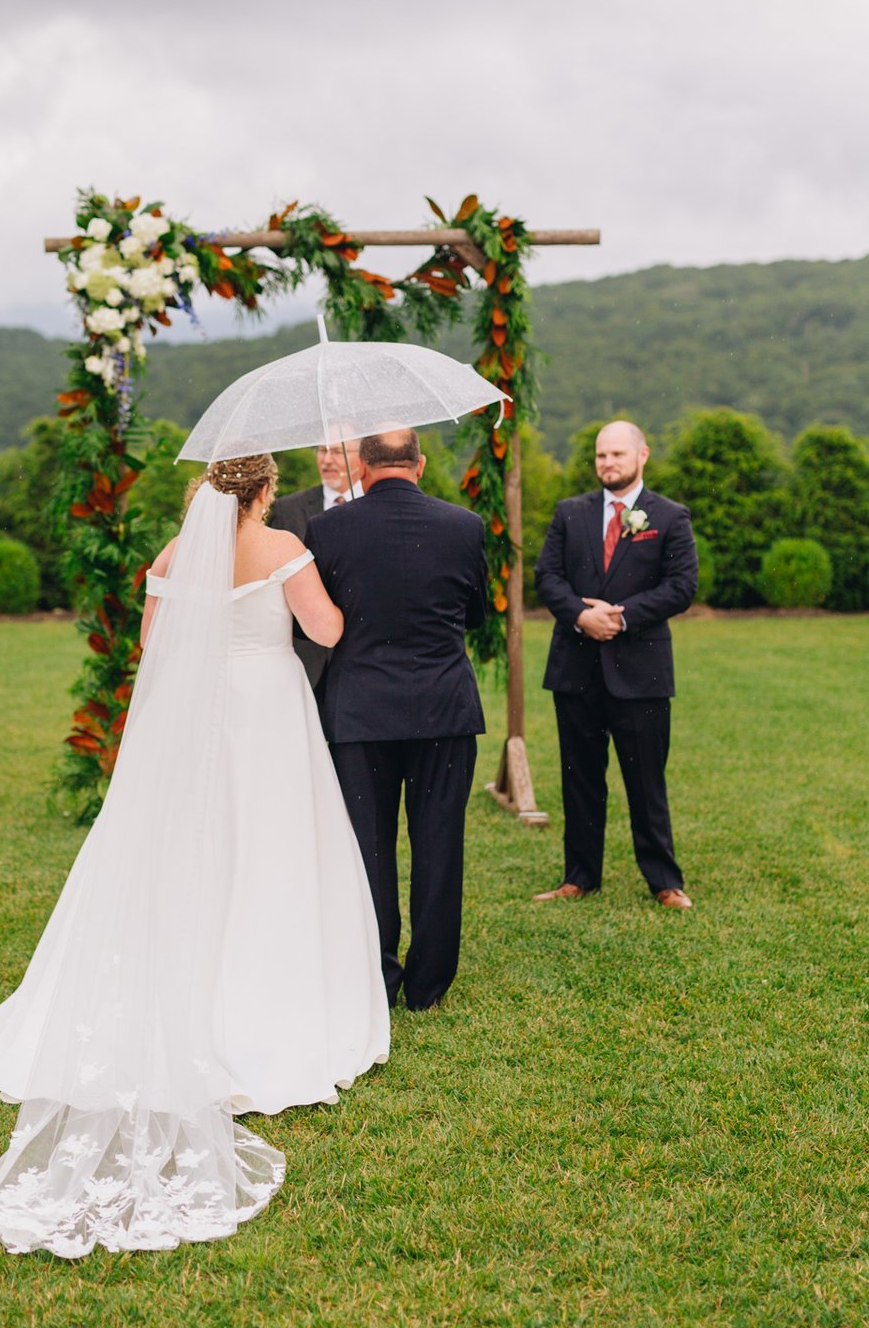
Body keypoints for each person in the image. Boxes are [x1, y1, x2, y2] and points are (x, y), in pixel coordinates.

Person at [0, 455, 389, 1257]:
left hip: (190, 728)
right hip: (264, 715)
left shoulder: (169, 556)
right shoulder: (282, 543)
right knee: (268, 854)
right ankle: (262, 1004)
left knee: (192, 859)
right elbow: (325, 629)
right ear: (262, 492)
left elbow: (155, 646)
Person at [308, 429, 489, 1010]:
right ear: (421, 464)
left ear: (361, 465)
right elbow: (478, 613)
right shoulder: (465, 526)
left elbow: (326, 619)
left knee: (370, 849)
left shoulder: (328, 529)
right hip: (444, 708)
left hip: (360, 713)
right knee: (439, 843)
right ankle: (430, 984)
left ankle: (379, 975)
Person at [531, 421, 700, 908]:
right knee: (579, 777)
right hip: (576, 669)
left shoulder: (669, 517)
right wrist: (583, 616)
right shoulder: (570, 513)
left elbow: (682, 585)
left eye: (618, 455)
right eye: (602, 456)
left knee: (646, 780)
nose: (608, 463)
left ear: (642, 455)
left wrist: (621, 620)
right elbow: (548, 576)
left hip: (640, 671)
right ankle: (579, 877)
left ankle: (664, 881)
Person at [267, 442, 360, 690]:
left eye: (338, 451)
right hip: (305, 657)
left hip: (361, 654)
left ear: (361, 457)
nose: (327, 460)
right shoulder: (287, 508)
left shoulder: (373, 506)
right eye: (322, 451)